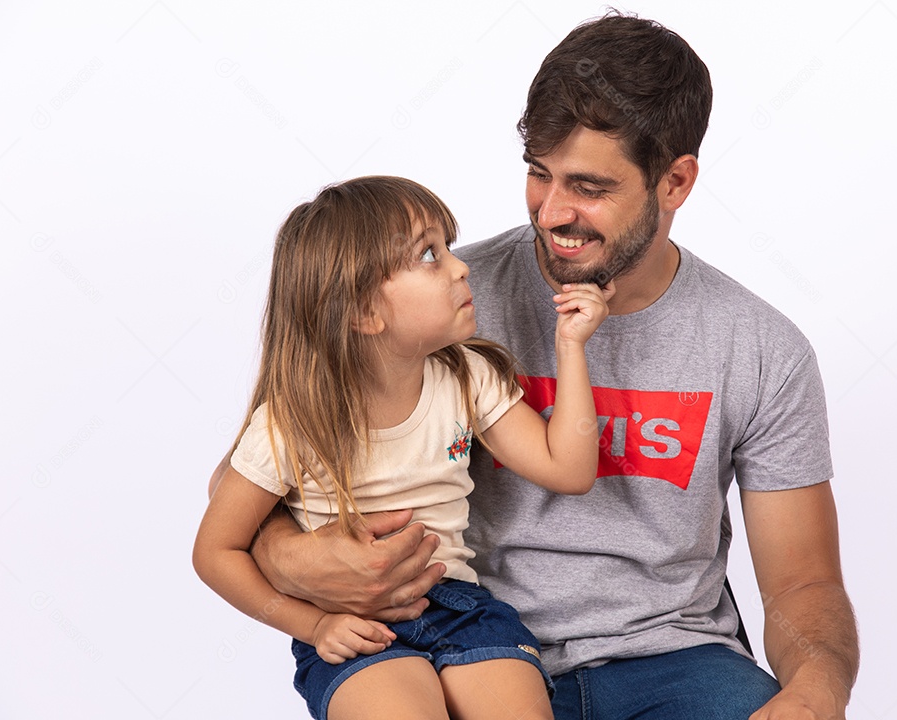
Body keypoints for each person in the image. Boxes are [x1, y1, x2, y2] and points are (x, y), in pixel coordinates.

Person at [241, 12, 860, 720]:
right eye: (540, 174)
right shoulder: (439, 304)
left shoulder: (760, 348)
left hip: (674, 660)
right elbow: (273, 474)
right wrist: (290, 557)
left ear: (676, 181)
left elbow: (803, 582)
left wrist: (816, 691)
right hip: (463, 649)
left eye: (590, 187)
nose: (553, 210)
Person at [194, 175, 613, 720]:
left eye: (448, 247)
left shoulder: (468, 376)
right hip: (355, 623)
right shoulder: (294, 422)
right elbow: (215, 552)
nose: (461, 267)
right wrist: (313, 625)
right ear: (364, 313)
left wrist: (571, 347)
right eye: (429, 255)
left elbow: (569, 468)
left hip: (465, 609)